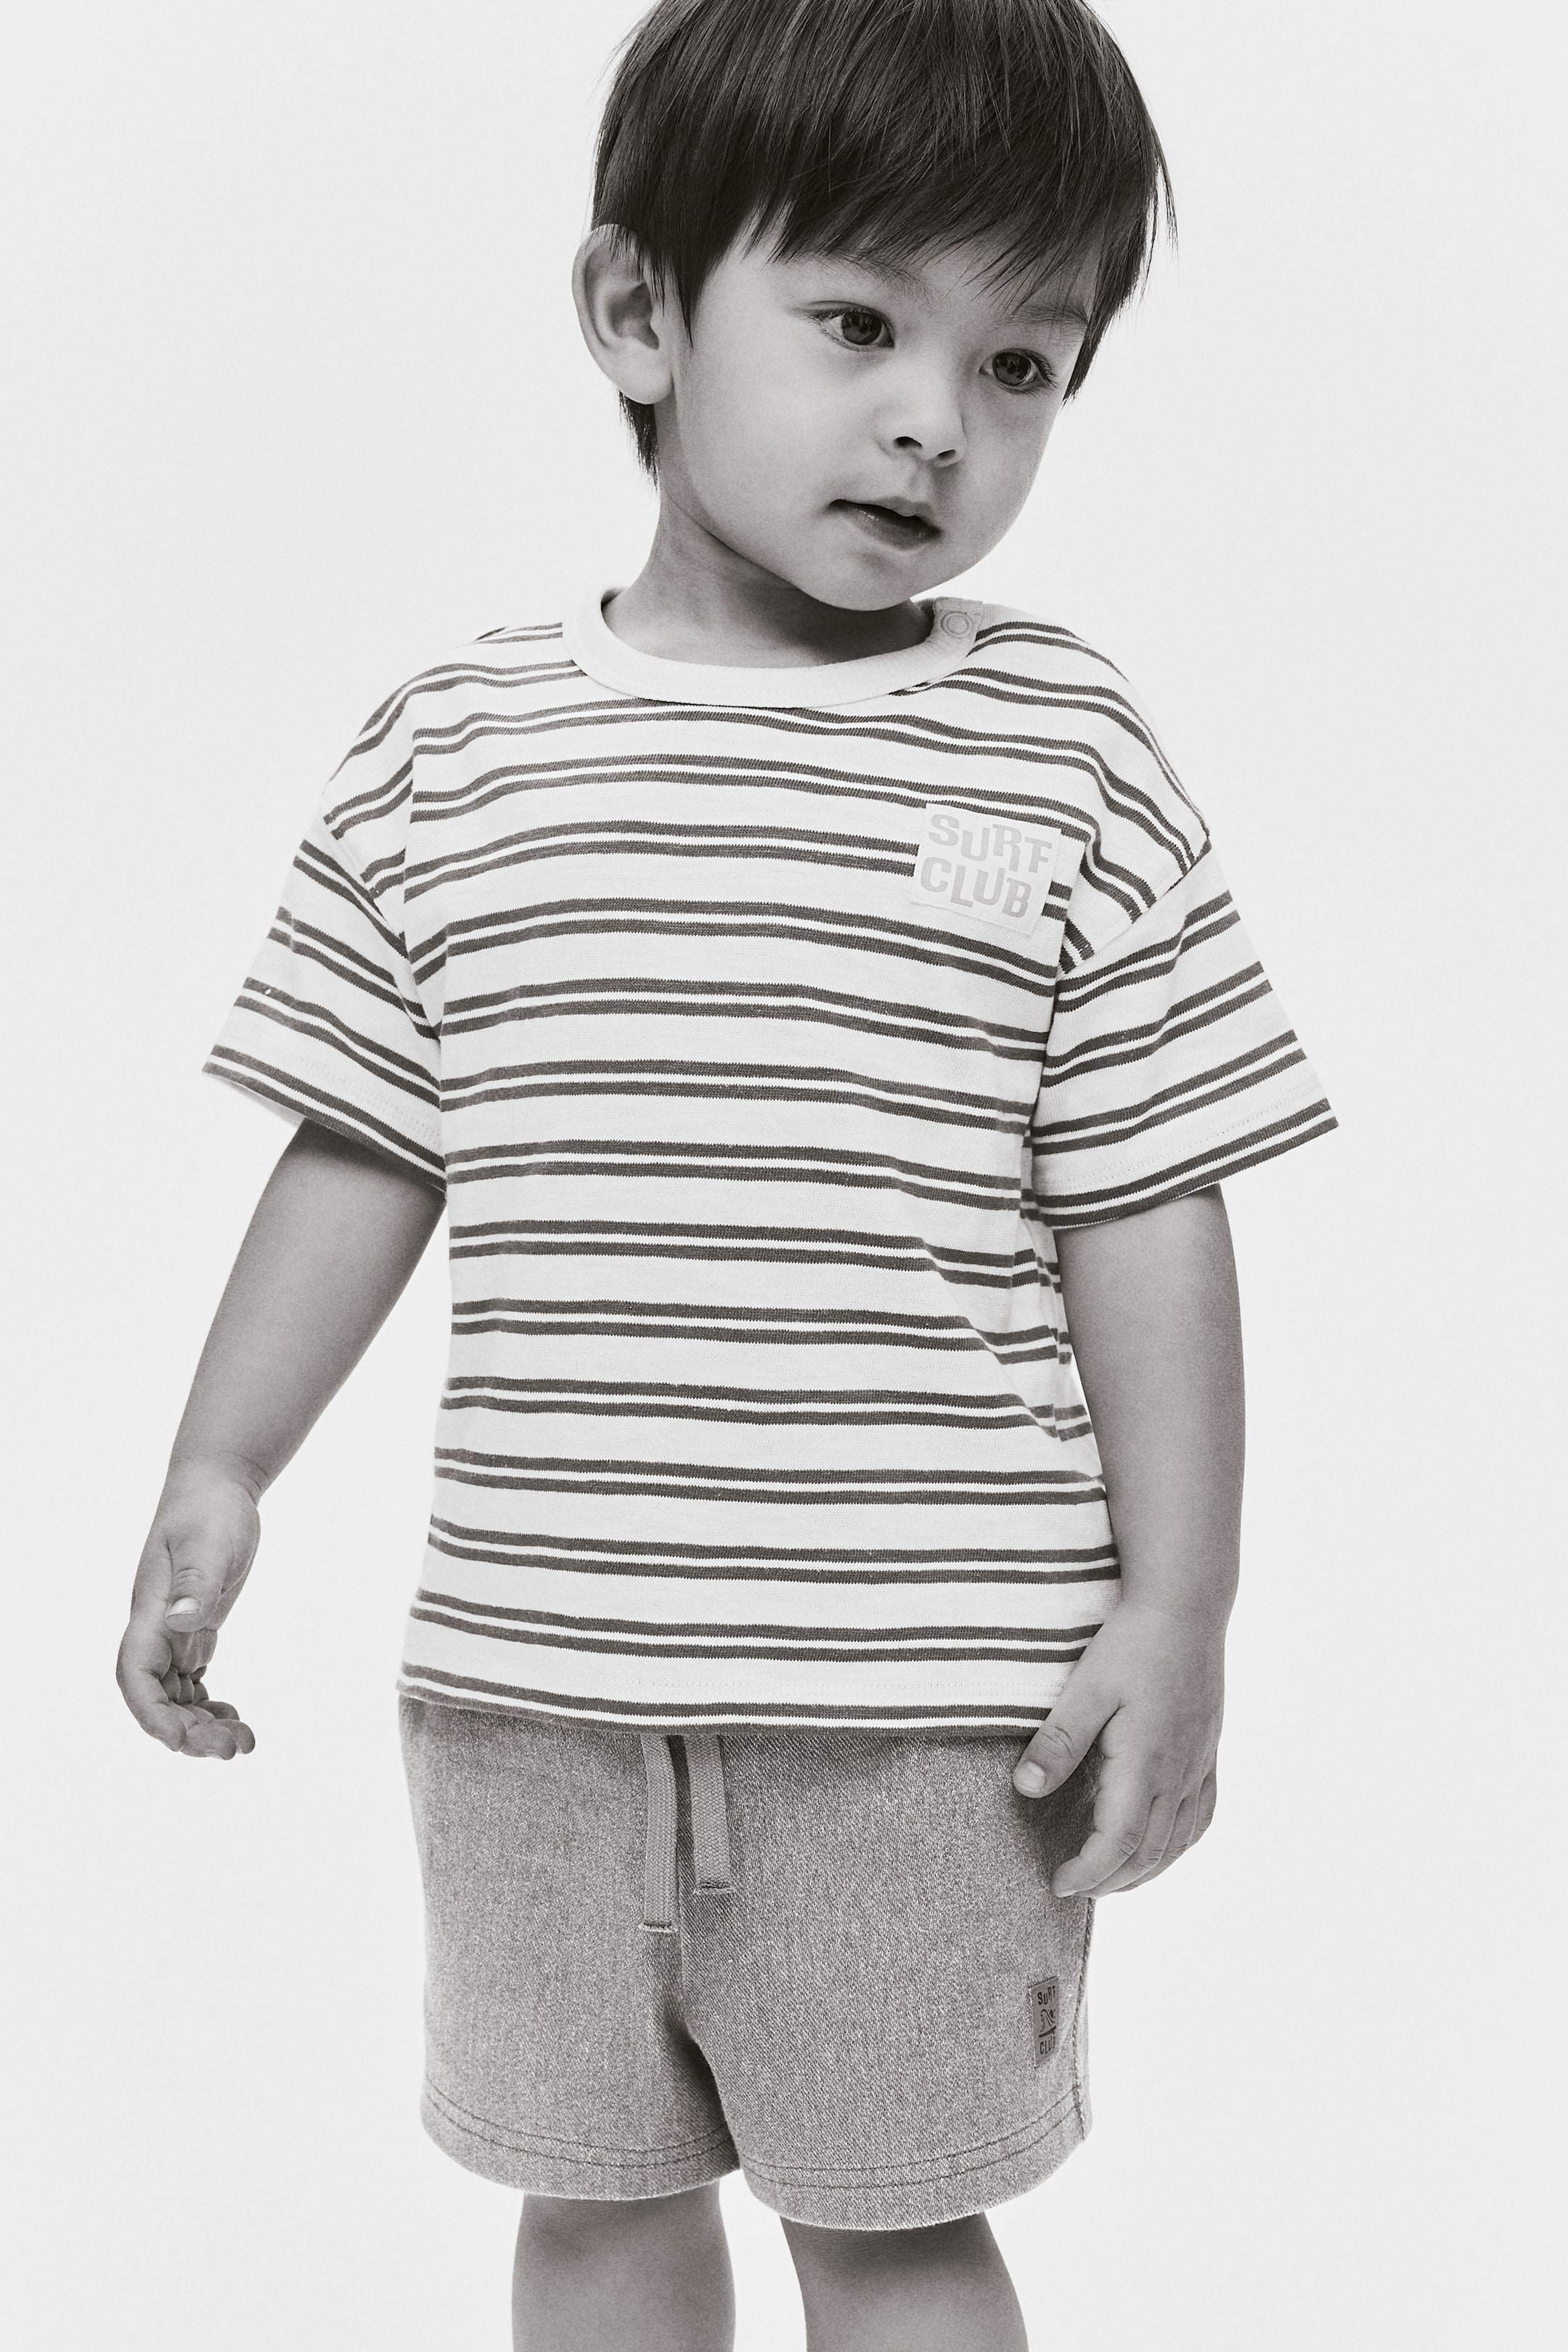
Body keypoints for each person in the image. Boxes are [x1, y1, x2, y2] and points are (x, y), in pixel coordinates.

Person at [115, 3, 1336, 2345]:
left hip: (929, 1716)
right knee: (586, 2211)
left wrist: (1181, 1612)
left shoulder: (1063, 752)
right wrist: (223, 1460)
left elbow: (1150, 1202)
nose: (937, 420)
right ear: (637, 310)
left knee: (895, 2233)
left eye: (1021, 366)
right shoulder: (457, 752)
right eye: (863, 323)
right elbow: (365, 1135)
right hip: (534, 1698)